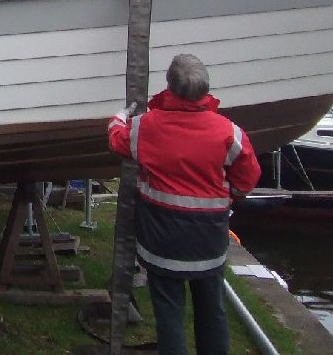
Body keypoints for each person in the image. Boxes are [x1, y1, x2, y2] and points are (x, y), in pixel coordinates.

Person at [108, 54, 261, 355]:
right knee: (212, 309)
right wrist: (228, 196)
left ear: (170, 86)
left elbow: (117, 140)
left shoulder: (147, 126)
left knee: (169, 315)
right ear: (205, 89)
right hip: (208, 242)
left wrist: (119, 116)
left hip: (162, 242)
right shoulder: (229, 132)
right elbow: (247, 179)